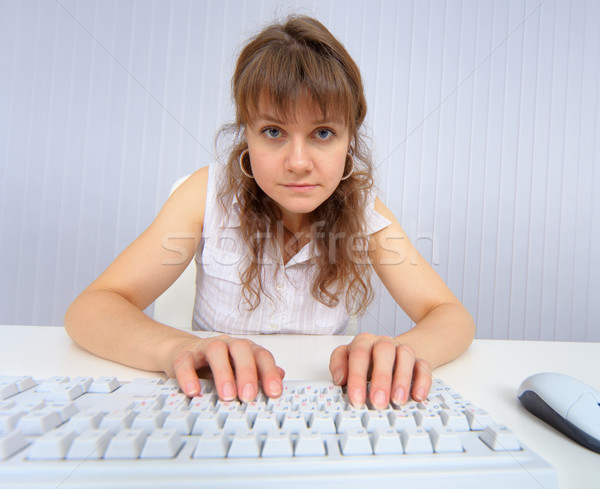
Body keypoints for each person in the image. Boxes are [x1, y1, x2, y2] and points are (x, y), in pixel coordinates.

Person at [64, 16, 475, 410]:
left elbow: (450, 316)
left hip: (318, 402)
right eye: (274, 132)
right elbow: (92, 308)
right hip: (215, 398)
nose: (298, 162)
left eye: (323, 133)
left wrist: (402, 353)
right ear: (246, 134)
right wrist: (180, 348)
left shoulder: (365, 212)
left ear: (350, 139)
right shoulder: (204, 195)